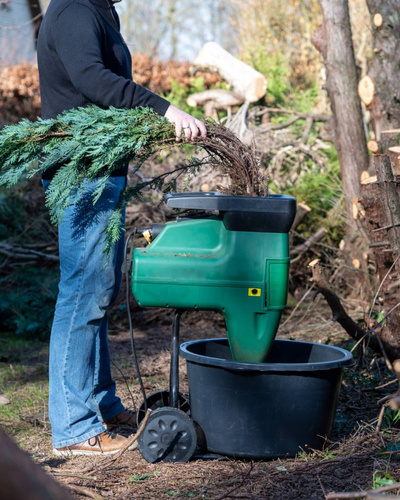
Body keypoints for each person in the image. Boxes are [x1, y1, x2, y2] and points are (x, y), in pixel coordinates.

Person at [37, 0, 207, 456]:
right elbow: (90, 78)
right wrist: (164, 110)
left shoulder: (98, 9)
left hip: (101, 171)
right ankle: (74, 429)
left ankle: (102, 405)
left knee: (99, 291)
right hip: (83, 174)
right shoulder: (75, 8)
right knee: (82, 293)